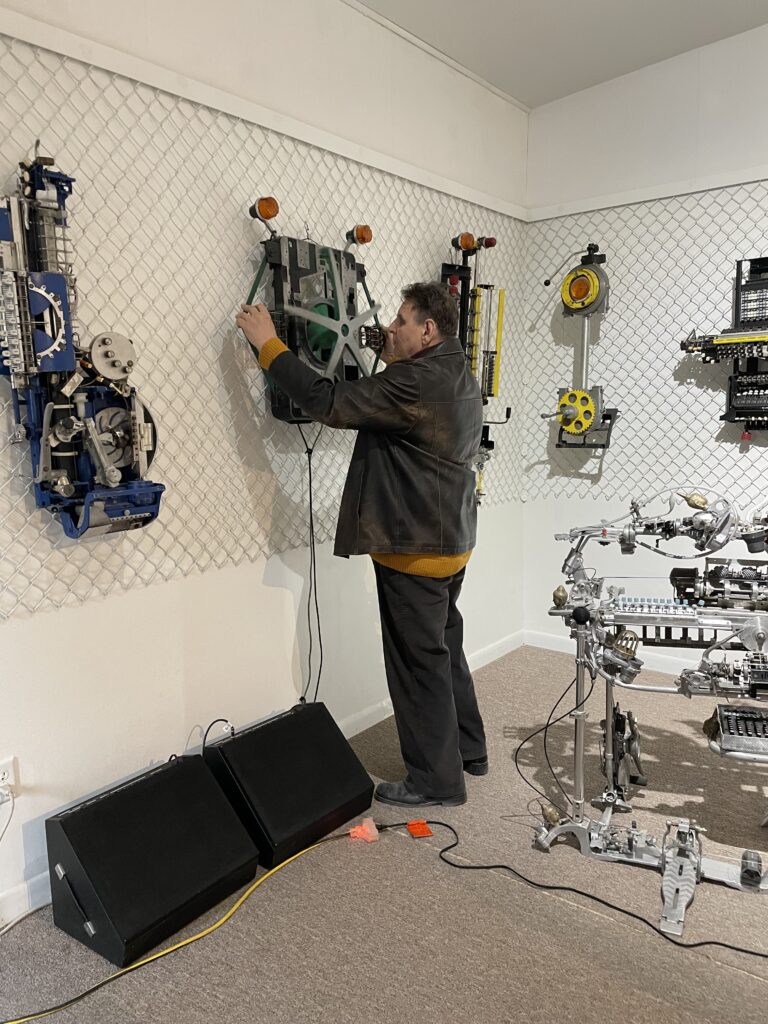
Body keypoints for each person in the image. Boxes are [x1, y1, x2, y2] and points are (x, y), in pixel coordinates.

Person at [236, 282, 488, 807]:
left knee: (416, 665)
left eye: (400, 321)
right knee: (443, 649)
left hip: (414, 548)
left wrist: (269, 345)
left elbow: (328, 401)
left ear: (428, 329)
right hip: (451, 539)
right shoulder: (457, 370)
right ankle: (469, 750)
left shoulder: (415, 381)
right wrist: (392, 355)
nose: (389, 328)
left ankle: (435, 781)